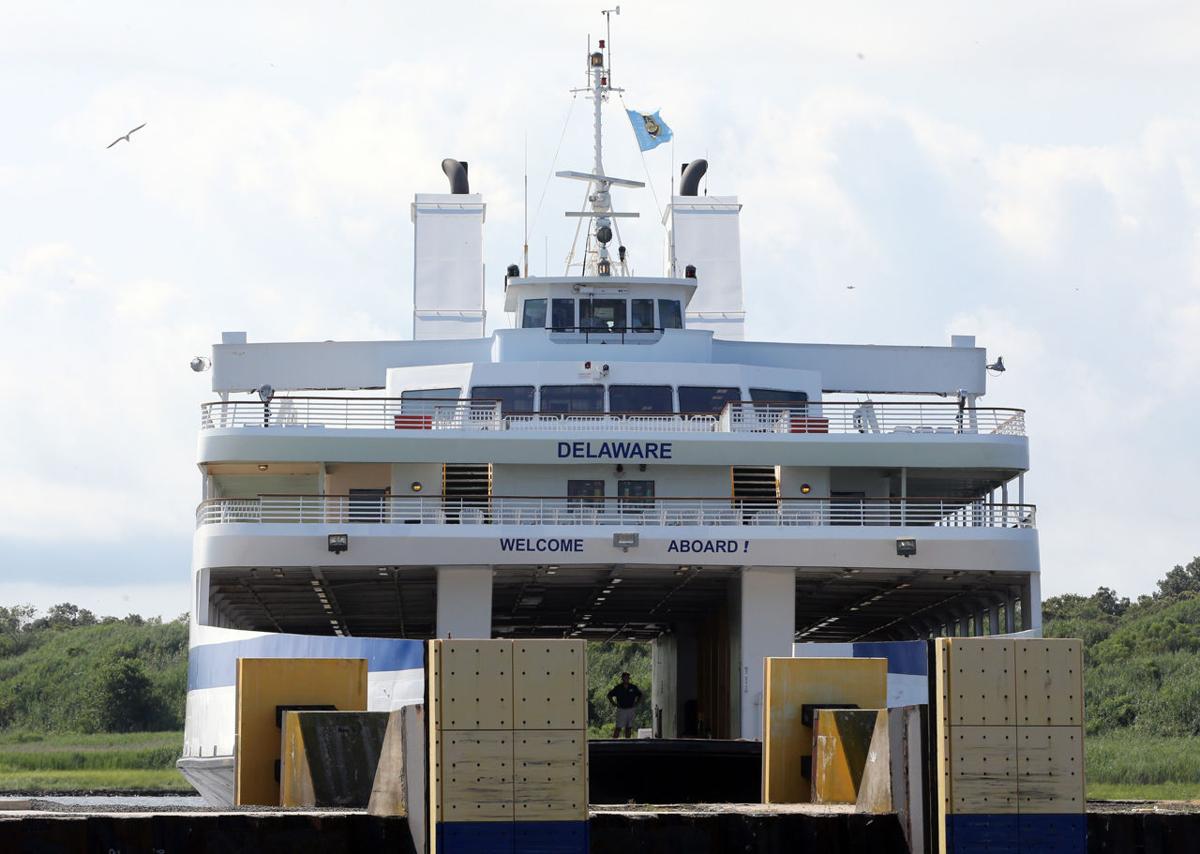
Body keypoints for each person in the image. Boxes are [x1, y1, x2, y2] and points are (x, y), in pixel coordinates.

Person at [606, 671, 643, 738]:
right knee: (618, 728)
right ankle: (613, 743)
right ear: (622, 678)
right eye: (625, 677)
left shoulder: (633, 687)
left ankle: (627, 744)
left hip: (630, 709)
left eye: (628, 677)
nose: (627, 679)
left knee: (629, 727)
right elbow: (609, 695)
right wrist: (614, 704)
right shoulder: (618, 688)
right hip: (621, 709)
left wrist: (637, 703)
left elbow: (640, 695)